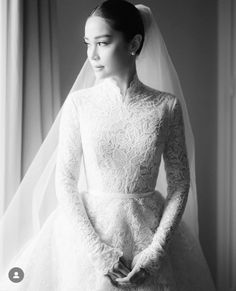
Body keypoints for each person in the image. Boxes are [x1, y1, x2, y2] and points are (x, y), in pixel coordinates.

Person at [0, 0, 216, 290]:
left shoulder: (166, 106)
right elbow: (64, 179)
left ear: (134, 43)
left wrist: (155, 251)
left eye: (102, 43)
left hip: (149, 234)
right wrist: (98, 251)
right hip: (88, 237)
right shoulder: (79, 104)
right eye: (87, 43)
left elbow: (179, 183)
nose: (91, 54)